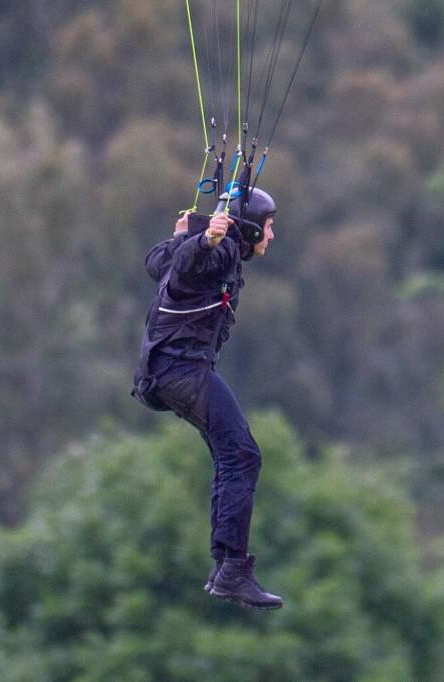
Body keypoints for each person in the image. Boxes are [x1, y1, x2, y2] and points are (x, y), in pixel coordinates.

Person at [131, 187, 282, 610]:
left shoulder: (217, 253)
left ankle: (225, 567)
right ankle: (233, 569)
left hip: (168, 373)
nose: (271, 237)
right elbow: (183, 266)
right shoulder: (214, 255)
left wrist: (187, 236)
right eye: (268, 228)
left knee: (231, 455)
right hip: (181, 372)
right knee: (243, 454)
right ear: (250, 228)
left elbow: (157, 261)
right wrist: (203, 241)